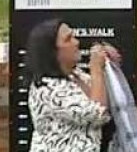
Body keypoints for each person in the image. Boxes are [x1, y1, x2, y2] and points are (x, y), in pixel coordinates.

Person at [25, 19, 122, 152]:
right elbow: (98, 113)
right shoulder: (47, 88)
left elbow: (103, 95)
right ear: (52, 51)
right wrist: (96, 69)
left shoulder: (76, 75)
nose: (76, 42)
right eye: (68, 39)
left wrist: (108, 63)